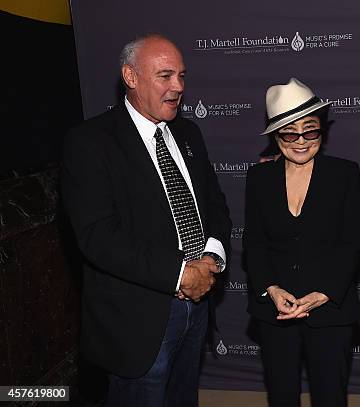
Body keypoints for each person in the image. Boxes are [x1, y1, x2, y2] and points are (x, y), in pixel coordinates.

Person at [61, 34, 231, 407]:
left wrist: (212, 258)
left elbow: (214, 206)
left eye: (182, 76)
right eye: (165, 76)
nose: (178, 87)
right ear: (130, 76)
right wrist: (180, 274)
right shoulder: (90, 142)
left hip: (198, 306)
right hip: (137, 319)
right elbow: (98, 237)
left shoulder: (189, 133)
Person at [244, 78, 360, 407]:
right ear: (275, 136)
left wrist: (324, 292)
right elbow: (254, 243)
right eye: (289, 133)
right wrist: (271, 288)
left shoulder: (344, 175)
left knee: (330, 397)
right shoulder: (259, 179)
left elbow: (351, 243)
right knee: (282, 397)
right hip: (276, 312)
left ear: (321, 131)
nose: (301, 141)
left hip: (331, 311)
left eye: (310, 131)